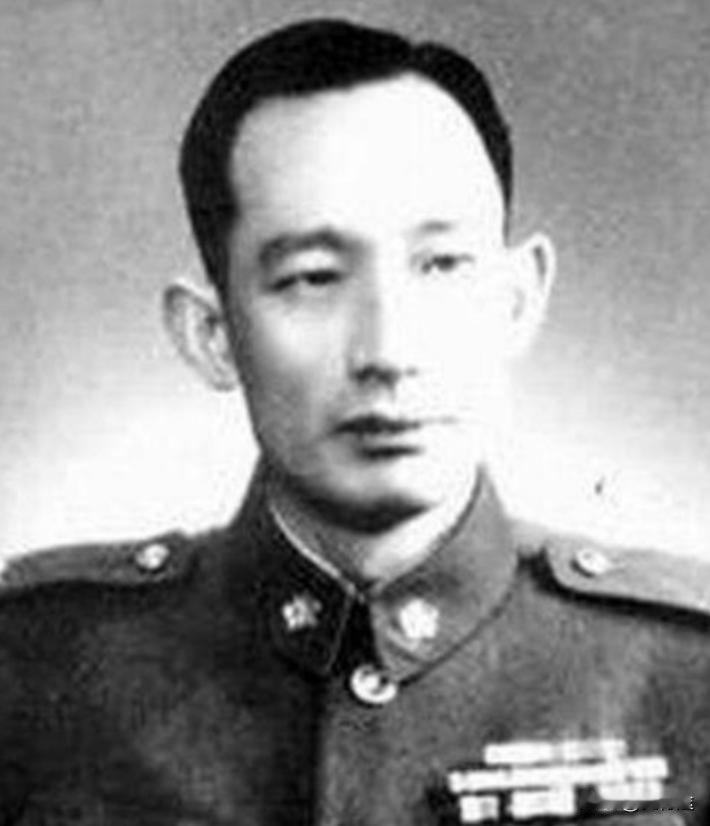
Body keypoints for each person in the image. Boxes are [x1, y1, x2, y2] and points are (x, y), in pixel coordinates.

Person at [0, 17, 707, 826]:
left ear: (516, 302)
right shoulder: (32, 671)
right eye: (312, 277)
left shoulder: (684, 672)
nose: (388, 352)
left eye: (442, 264)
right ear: (212, 335)